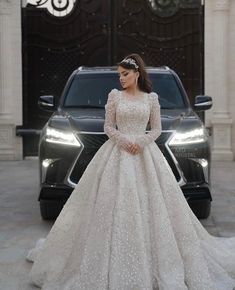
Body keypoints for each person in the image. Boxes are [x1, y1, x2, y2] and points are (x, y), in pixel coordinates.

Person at [26, 53, 235, 290]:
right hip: (117, 151)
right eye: (119, 75)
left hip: (145, 153)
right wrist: (125, 141)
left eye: (125, 74)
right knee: (109, 201)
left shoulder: (151, 99)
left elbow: (156, 129)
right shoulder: (114, 97)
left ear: (137, 74)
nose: (121, 78)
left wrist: (142, 142)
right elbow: (107, 126)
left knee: (155, 203)